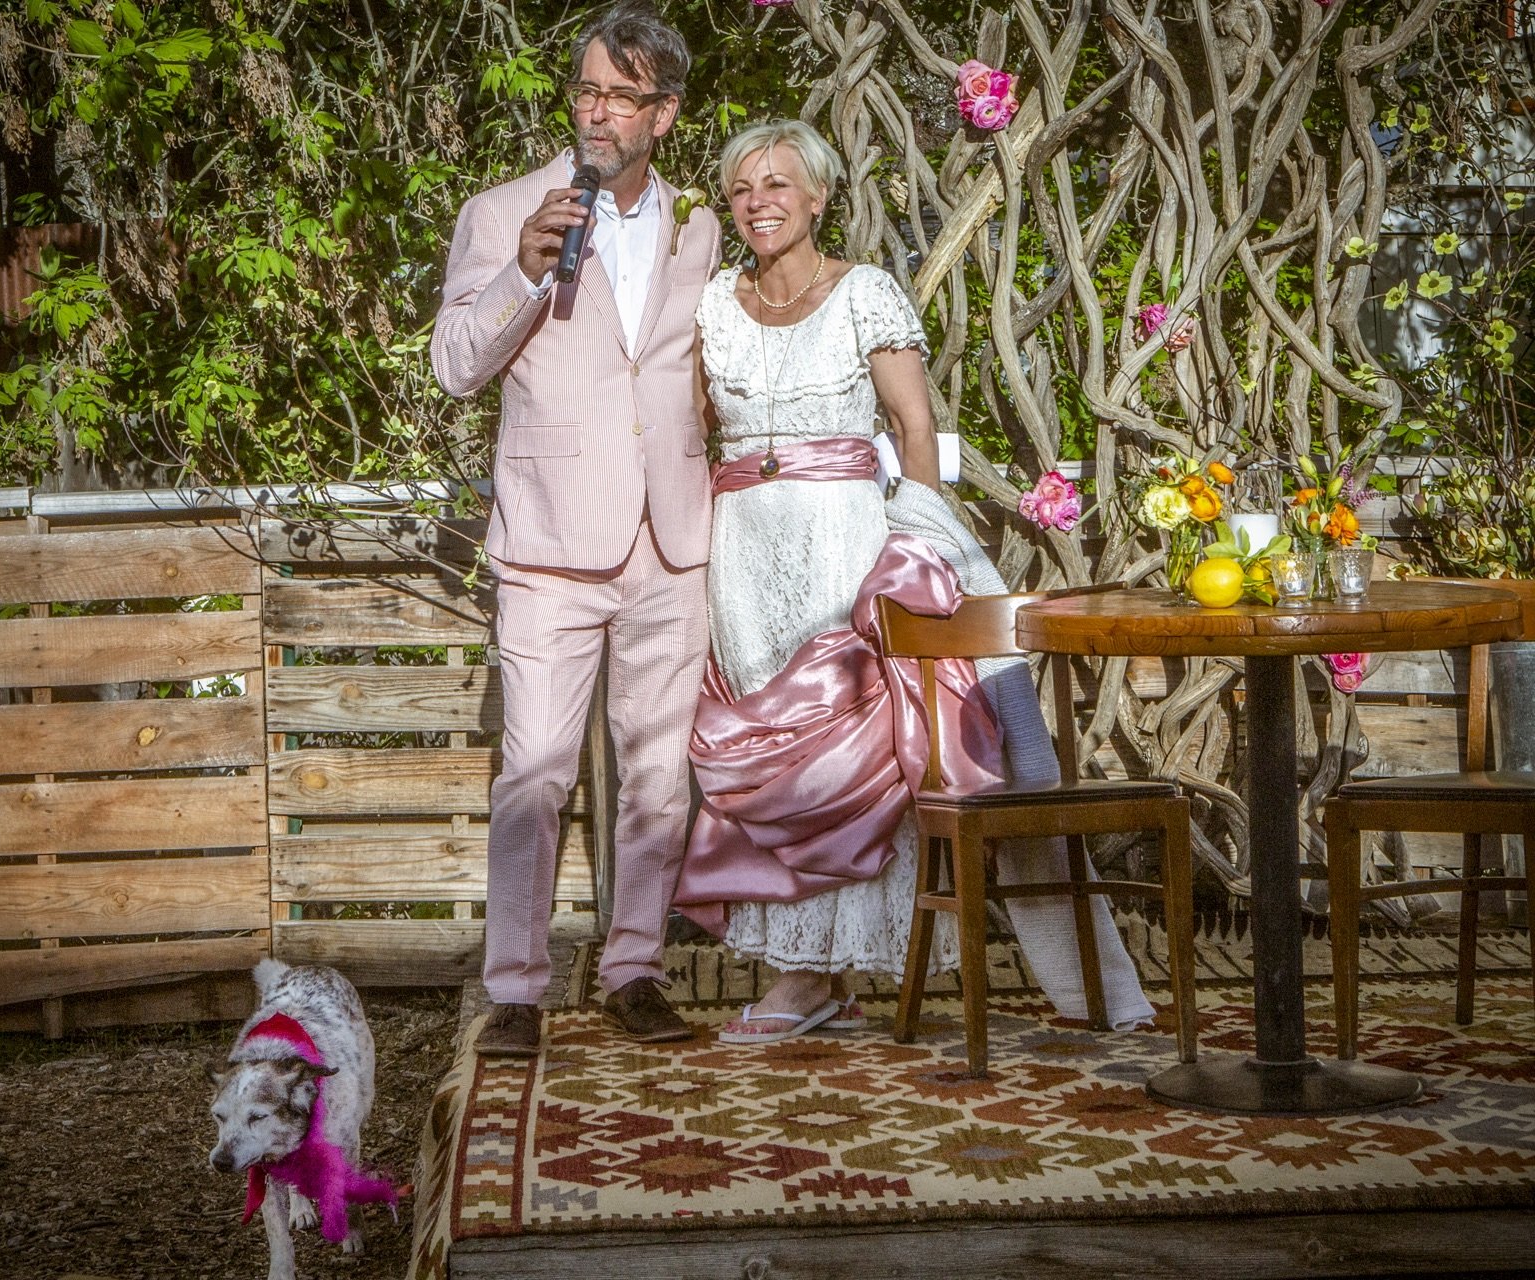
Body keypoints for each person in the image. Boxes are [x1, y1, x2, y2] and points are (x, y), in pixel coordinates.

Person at [674, 120, 1156, 1042]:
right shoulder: (712, 305)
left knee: (861, 752)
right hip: (742, 555)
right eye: (742, 188)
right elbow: (697, 430)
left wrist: (916, 543)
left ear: (818, 198)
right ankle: (798, 971)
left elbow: (915, 426)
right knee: (769, 762)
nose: (759, 201)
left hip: (851, 543)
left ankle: (837, 968)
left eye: (780, 184)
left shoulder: (865, 293)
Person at [431, 1, 721, 1058]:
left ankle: (634, 968)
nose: (597, 113)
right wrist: (521, 265)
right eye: (586, 90)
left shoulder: (703, 224)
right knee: (536, 767)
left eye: (621, 96)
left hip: (672, 538)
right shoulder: (504, 206)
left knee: (655, 773)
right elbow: (456, 364)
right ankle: (514, 985)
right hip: (550, 539)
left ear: (665, 113)